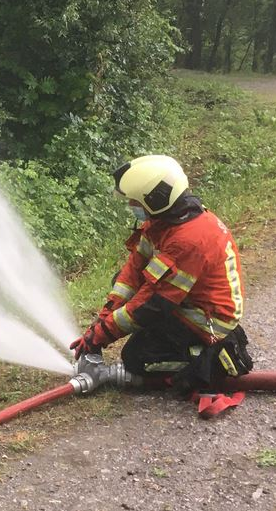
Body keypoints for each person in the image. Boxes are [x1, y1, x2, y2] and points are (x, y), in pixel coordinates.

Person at [69, 154, 253, 417]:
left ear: (155, 199)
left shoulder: (188, 240)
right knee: (125, 290)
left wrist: (101, 336)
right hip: (183, 302)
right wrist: (102, 321)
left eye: (136, 201)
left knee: (136, 357)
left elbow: (153, 305)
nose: (132, 205)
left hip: (207, 319)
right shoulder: (162, 222)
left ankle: (205, 357)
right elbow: (133, 271)